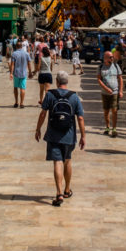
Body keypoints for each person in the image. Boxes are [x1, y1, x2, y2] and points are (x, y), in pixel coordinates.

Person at [35, 69, 86, 206]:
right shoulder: (74, 97)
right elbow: (80, 118)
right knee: (67, 160)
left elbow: (43, 114)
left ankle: (58, 193)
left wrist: (38, 129)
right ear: (67, 82)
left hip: (53, 134)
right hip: (69, 135)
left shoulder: (50, 95)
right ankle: (67, 190)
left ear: (57, 82)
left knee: (57, 161)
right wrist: (83, 136)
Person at [97, 50, 123, 137]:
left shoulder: (116, 66)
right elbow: (99, 79)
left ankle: (114, 128)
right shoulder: (101, 67)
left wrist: (121, 90)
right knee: (106, 111)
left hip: (115, 92)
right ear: (105, 58)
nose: (112, 58)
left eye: (112, 57)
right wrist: (106, 88)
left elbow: (120, 78)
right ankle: (107, 127)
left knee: (114, 111)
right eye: (110, 57)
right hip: (105, 93)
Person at [9, 39, 33, 108]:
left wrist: (11, 73)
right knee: (23, 88)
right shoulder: (26, 54)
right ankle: (21, 103)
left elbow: (12, 65)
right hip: (23, 73)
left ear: (16, 46)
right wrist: (30, 72)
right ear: (22, 46)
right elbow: (29, 64)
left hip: (16, 73)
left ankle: (16, 102)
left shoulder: (14, 54)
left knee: (15, 87)